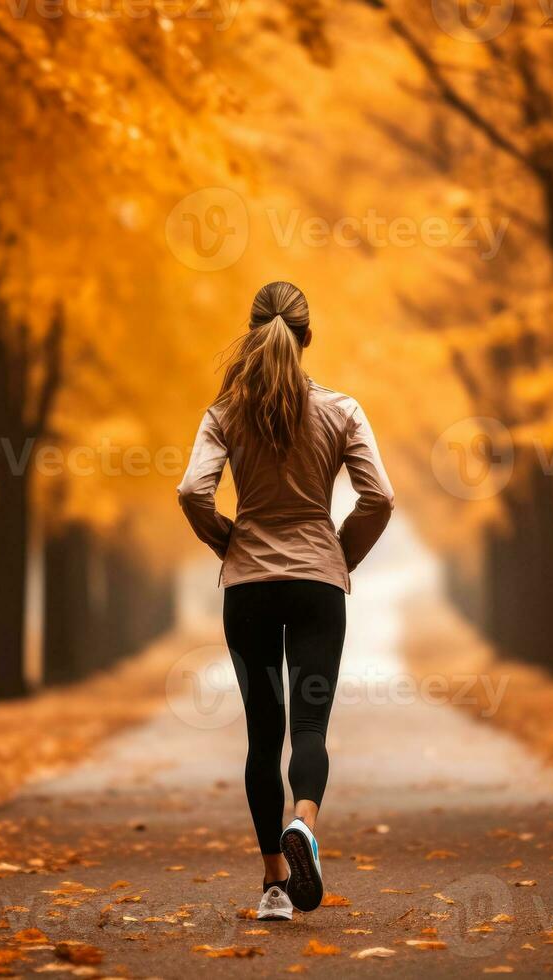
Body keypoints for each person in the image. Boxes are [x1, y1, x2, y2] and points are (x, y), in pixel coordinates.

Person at [176, 281, 395, 922]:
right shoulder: (342, 410)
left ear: (252, 334)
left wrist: (231, 544)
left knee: (262, 734)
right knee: (309, 726)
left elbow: (193, 491)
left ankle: (274, 883)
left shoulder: (224, 413)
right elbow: (378, 498)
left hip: (247, 587)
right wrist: (338, 557)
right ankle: (305, 823)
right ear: (307, 338)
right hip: (317, 586)